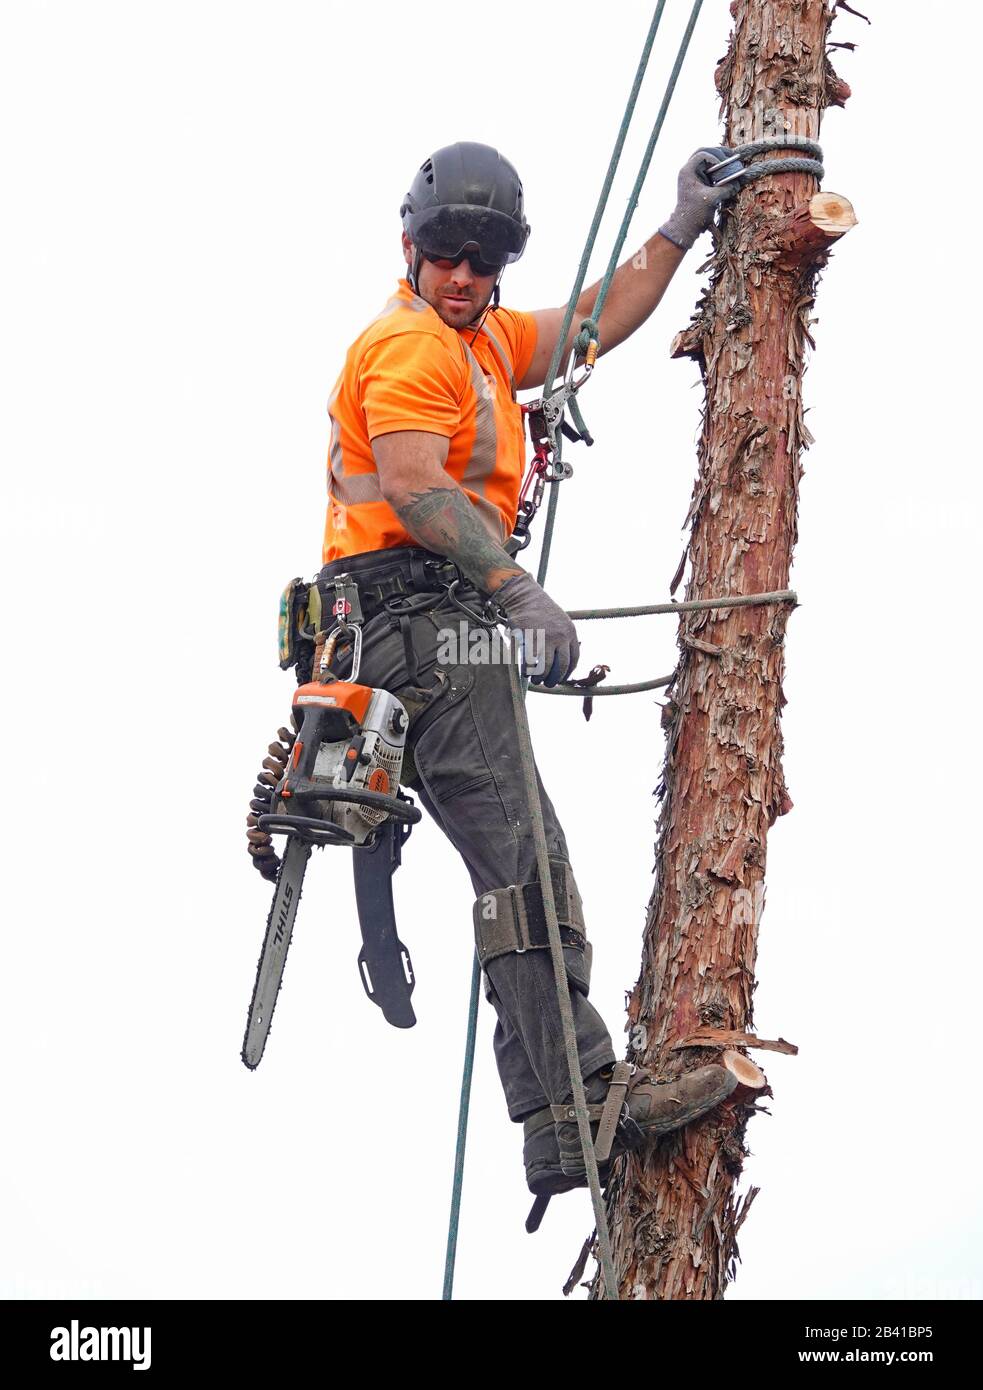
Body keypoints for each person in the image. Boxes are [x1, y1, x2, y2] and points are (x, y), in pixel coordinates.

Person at [317, 141, 740, 1205]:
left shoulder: (484, 339)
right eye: (448, 257)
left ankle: (561, 1117)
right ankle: (580, 1098)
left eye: (484, 260)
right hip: (415, 615)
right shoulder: (407, 346)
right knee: (523, 860)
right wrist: (511, 586)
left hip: (430, 613)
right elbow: (414, 486)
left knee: (524, 856)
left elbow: (591, 323)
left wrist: (679, 224)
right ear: (410, 249)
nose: (464, 277)